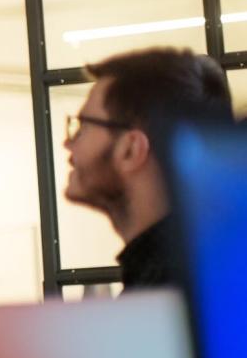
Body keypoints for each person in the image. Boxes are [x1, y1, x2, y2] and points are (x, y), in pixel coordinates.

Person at [63, 47, 231, 289]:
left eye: (83, 127)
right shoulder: (210, 268)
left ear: (131, 150)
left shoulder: (172, 297)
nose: (68, 143)